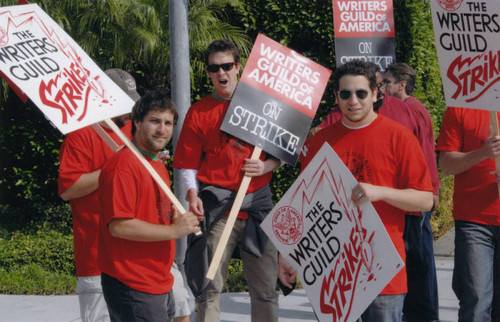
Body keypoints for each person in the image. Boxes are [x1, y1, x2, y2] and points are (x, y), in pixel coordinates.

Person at [299, 59, 434, 321]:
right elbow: (307, 203)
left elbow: (425, 200)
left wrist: (381, 192)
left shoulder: (399, 137)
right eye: (346, 94)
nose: (354, 101)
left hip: (383, 270)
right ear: (336, 96)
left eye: (361, 93)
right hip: (332, 270)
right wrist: (290, 256)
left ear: (375, 93)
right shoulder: (320, 141)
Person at [173, 39, 281, 321]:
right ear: (208, 72)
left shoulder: (263, 105)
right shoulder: (199, 111)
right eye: (214, 67)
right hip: (218, 209)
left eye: (227, 66)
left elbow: (284, 149)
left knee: (266, 290)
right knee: (209, 287)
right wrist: (192, 195)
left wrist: (266, 164)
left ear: (238, 67)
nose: (221, 72)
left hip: (258, 207)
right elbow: (186, 164)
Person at [98, 91, 200, 321]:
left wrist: (173, 220)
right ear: (137, 122)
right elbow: (120, 226)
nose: (162, 129)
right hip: (133, 282)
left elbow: (151, 214)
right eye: (154, 121)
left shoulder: (157, 165)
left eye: (168, 123)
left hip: (158, 278)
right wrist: (175, 231)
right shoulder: (123, 167)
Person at [58, 68, 138, 322]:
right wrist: (114, 167)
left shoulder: (135, 130)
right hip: (96, 259)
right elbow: (68, 189)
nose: (130, 108)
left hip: (136, 255)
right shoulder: (80, 134)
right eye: (125, 100)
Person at [384, 62, 441, 322]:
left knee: (418, 260)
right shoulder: (415, 109)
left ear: (402, 84)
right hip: (418, 194)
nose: (384, 87)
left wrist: (431, 190)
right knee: (420, 258)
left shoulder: (411, 110)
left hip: (415, 196)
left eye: (388, 82)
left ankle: (423, 314)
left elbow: (425, 152)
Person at [436, 107, 500, 322]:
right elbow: (446, 165)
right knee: (476, 302)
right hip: (474, 222)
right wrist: (482, 153)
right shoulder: (460, 108)